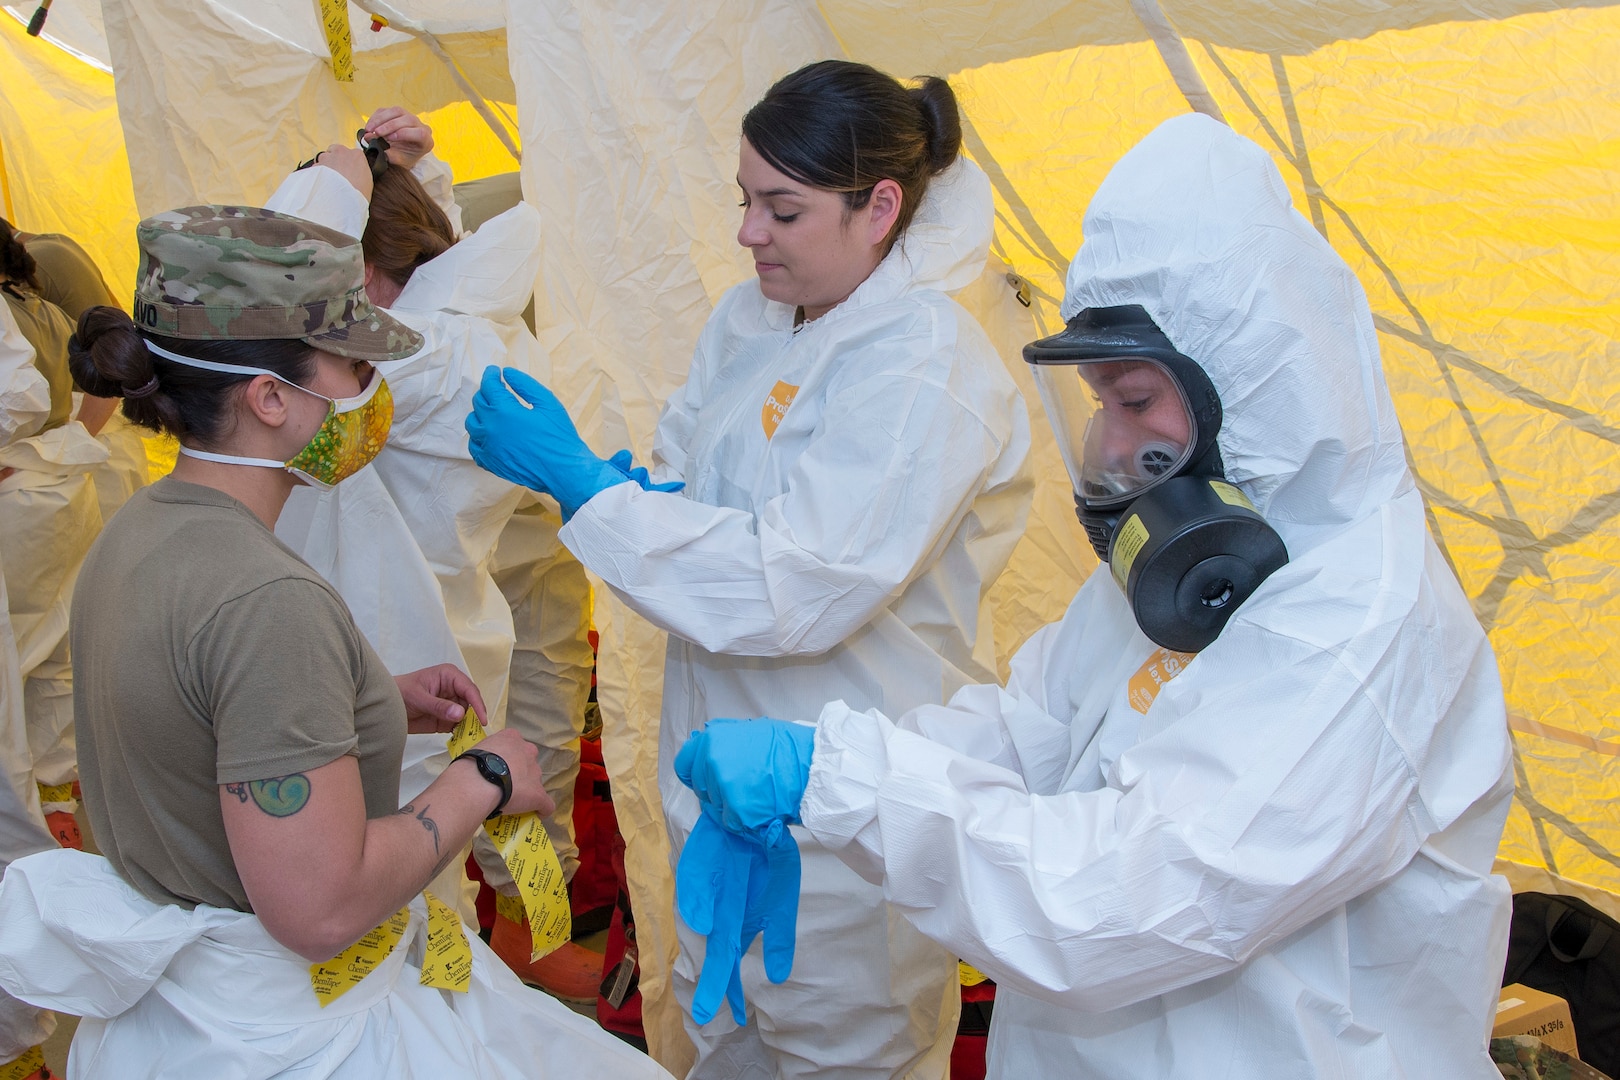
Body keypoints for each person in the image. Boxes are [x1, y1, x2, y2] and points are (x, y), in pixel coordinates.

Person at [672, 114, 1516, 1078]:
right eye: (1101, 403)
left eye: (1135, 402)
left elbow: (1124, 899)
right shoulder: (1188, 576)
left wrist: (840, 787)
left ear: (1247, 390)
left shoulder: (1362, 623)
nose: (1112, 450)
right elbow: (1028, 735)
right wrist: (822, 764)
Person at [0, 205, 673, 1080]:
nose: (371, 395)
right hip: (301, 1035)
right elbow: (319, 907)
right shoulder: (267, 599)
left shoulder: (135, 536)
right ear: (271, 398)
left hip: (182, 1027)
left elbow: (190, 710)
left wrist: (365, 697)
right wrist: (486, 780)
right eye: (355, 368)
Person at [469, 59, 1034, 1080]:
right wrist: (632, 490)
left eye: (781, 208)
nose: (748, 233)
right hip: (714, 784)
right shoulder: (753, 322)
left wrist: (586, 493)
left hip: (838, 823)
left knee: (843, 1049)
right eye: (745, 201)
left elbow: (795, 589)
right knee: (720, 1034)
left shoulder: (924, 365)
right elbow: (691, 476)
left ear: (881, 208)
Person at [264, 109, 605, 1000]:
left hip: (393, 646)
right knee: (417, 870)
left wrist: (342, 179)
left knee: (396, 892)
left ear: (364, 277)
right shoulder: (457, 320)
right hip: (425, 632)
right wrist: (407, 173)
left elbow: (280, 317)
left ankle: (443, 1020)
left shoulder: (425, 356)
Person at [0, 227, 110, 852]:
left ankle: (20, 836)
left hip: (24, 491)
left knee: (13, 663)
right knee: (51, 654)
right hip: (62, 484)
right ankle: (57, 806)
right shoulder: (37, 304)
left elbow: (15, 399)